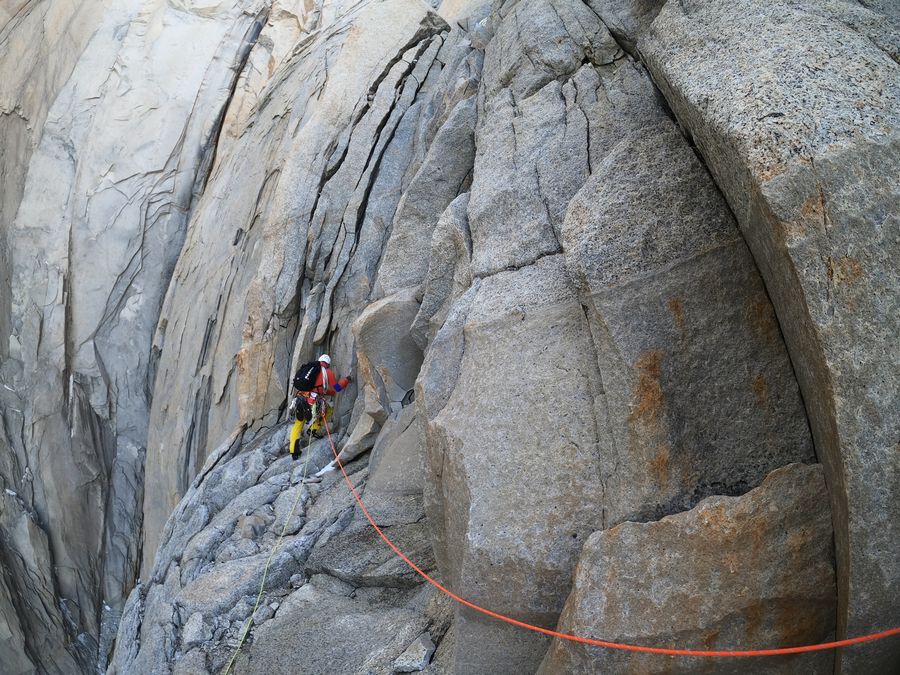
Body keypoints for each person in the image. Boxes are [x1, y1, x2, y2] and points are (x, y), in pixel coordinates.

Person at [288, 354, 351, 459]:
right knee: (328, 411)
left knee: (298, 424)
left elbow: (321, 388)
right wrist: (346, 380)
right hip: (313, 402)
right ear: (328, 364)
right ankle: (313, 429)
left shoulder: (310, 370)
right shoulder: (328, 372)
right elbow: (337, 388)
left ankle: (294, 452)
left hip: (300, 399)